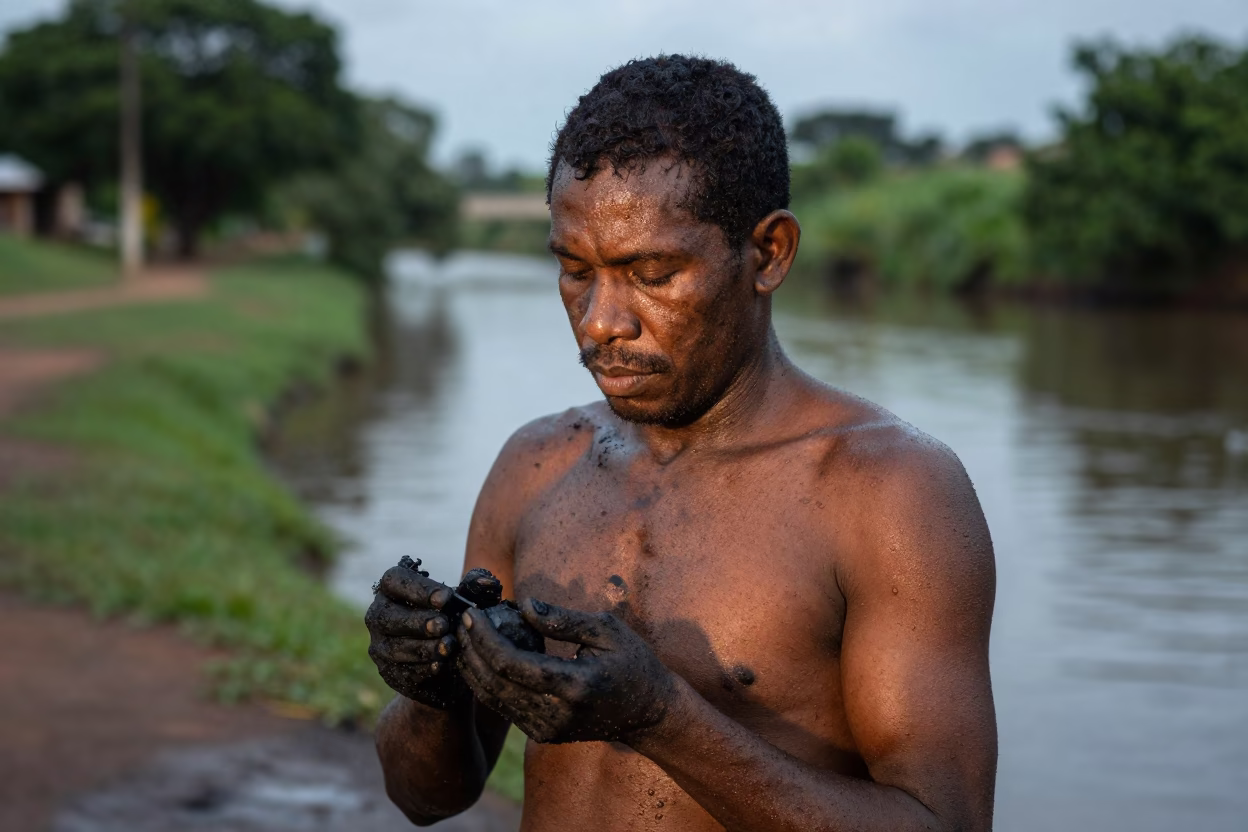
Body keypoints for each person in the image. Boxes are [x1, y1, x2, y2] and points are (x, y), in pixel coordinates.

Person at [366, 55, 997, 831]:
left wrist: (661, 718)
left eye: (652, 273)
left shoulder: (887, 493)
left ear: (769, 253)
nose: (601, 321)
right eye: (575, 271)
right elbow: (426, 798)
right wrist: (432, 691)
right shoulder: (537, 464)